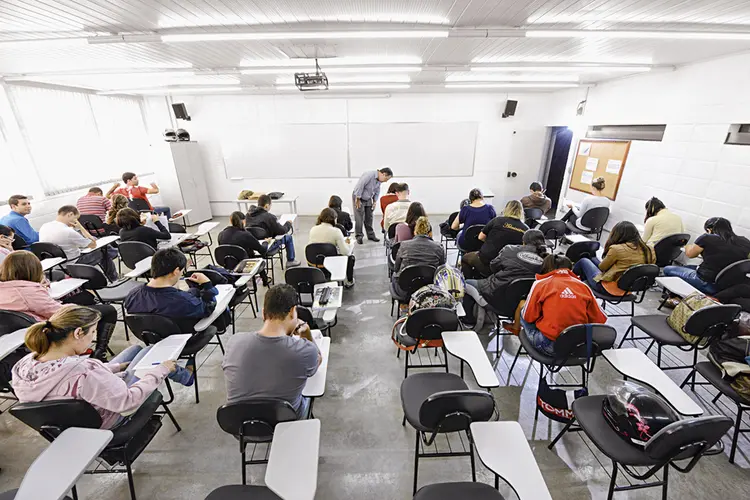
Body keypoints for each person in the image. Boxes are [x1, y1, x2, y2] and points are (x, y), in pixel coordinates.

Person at [12, 305, 194, 430]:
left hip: (72, 420)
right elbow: (127, 402)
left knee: (135, 350)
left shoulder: (25, 364)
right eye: (93, 332)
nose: (93, 338)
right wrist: (159, 371)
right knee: (151, 354)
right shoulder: (84, 370)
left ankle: (178, 373)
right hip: (109, 418)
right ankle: (185, 376)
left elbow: (71, 378)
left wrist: (117, 368)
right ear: (78, 333)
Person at [222, 284, 321, 419]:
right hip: (286, 421)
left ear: (263, 313)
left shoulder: (234, 342)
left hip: (241, 425)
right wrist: (307, 334)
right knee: (310, 392)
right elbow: (318, 359)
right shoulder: (303, 351)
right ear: (292, 312)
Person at [0, 251, 118, 361]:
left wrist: (38, 286)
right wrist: (77, 306)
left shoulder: (8, 287)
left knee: (86, 296)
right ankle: (99, 353)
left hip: (21, 334)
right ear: (33, 270)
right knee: (108, 310)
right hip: (50, 330)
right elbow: (59, 312)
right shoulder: (28, 292)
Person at [521, 255, 607, 355]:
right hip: (578, 347)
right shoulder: (584, 286)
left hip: (549, 346)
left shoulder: (540, 284)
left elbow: (528, 317)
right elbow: (600, 319)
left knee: (523, 310)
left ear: (545, 267)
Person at [461, 229, 548, 328]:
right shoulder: (548, 260)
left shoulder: (510, 249)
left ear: (523, 241)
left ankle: (468, 320)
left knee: (466, 284)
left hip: (496, 299)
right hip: (525, 307)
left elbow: (493, 267)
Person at [123, 247, 219, 333]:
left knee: (192, 292)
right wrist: (207, 285)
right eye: (181, 272)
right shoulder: (182, 301)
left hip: (151, 337)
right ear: (176, 271)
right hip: (181, 338)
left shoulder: (132, 295)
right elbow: (208, 308)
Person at [664, 217, 750, 295]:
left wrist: (687, 247)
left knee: (667, 269)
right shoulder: (745, 241)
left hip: (707, 282)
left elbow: (690, 254)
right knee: (688, 267)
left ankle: (676, 297)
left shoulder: (706, 238)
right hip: (728, 284)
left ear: (709, 230)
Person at [573, 221, 656, 296]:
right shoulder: (649, 249)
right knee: (592, 258)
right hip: (628, 289)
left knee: (584, 261)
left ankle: (568, 280)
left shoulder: (616, 249)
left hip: (608, 288)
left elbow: (602, 268)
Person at [39, 205, 117, 281]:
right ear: (70, 214)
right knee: (103, 250)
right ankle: (113, 277)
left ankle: (115, 253)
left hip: (56, 264)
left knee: (103, 247)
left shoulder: (44, 227)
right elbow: (93, 244)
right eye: (76, 219)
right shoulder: (68, 231)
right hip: (74, 262)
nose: (76, 221)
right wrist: (80, 227)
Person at [461, 200, 527, 279]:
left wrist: (491, 242)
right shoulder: (525, 229)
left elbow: (480, 237)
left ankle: (469, 283)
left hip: (486, 262)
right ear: (521, 211)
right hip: (507, 268)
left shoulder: (497, 220)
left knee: (465, 259)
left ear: (506, 209)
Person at [391, 217, 446, 298]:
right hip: (430, 290)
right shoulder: (438, 247)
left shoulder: (404, 245)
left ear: (415, 232)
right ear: (430, 233)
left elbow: (396, 268)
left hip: (406, 291)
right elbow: (442, 268)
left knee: (394, 275)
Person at [217, 211, 271, 286]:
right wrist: (266, 242)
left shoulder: (221, 234)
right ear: (244, 221)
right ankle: (265, 280)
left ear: (230, 221)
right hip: (245, 265)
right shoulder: (245, 235)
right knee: (257, 257)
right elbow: (262, 250)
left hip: (228, 264)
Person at [246, 194, 300, 267]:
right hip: (267, 246)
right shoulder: (269, 217)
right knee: (288, 238)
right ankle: (291, 260)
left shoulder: (248, 215)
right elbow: (281, 231)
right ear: (267, 206)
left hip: (252, 247)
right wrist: (288, 224)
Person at [309, 208, 355, 286]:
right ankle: (349, 281)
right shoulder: (336, 231)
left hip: (314, 262)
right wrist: (349, 244)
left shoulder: (313, 229)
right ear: (334, 219)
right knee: (351, 257)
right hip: (331, 262)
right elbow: (346, 252)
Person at [352, 167, 394, 244]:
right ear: (383, 174)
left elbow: (377, 190)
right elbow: (360, 186)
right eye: (386, 179)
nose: (386, 181)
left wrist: (374, 201)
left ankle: (371, 235)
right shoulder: (369, 175)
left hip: (368, 198)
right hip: (358, 196)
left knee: (369, 216)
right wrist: (357, 199)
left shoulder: (379, 180)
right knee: (359, 217)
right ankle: (359, 236)